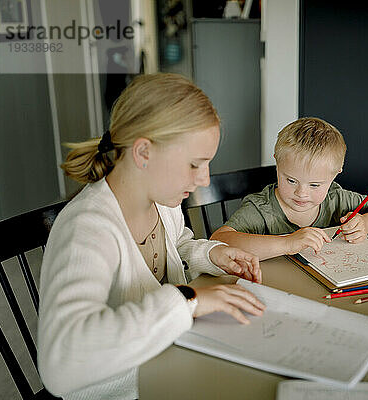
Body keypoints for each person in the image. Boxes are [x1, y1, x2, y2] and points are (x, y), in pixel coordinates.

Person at [37, 73, 265, 400]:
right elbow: (61, 366)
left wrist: (212, 254)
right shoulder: (86, 229)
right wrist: (188, 300)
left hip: (171, 361)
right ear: (143, 152)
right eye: (194, 164)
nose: (204, 179)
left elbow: (179, 243)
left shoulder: (162, 202)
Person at [210, 117, 368, 260]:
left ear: (335, 174)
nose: (301, 193)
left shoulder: (335, 199)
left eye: (314, 185)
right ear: (277, 165)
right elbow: (219, 241)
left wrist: (366, 223)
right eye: (291, 181)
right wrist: (286, 244)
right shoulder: (262, 209)